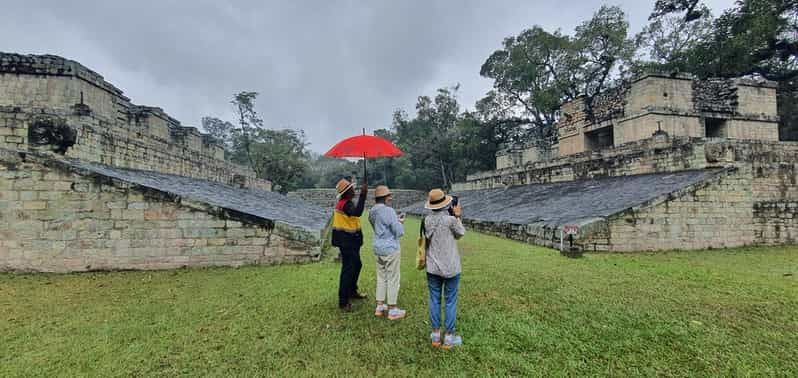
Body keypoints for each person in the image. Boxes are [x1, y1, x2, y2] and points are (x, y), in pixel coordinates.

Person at [424, 188, 465, 348]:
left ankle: (435, 335)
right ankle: (449, 337)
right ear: (445, 203)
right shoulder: (450, 220)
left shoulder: (427, 220)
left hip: (433, 266)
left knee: (434, 299)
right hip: (451, 266)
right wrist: (457, 215)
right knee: (450, 301)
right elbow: (461, 233)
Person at [367, 185, 406, 320]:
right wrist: (400, 222)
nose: (391, 198)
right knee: (393, 277)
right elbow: (399, 232)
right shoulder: (388, 211)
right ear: (385, 198)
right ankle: (393, 309)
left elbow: (377, 226)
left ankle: (379, 305)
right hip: (390, 247)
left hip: (377, 247)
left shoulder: (372, 211)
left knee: (381, 276)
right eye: (389, 196)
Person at [331, 178, 369, 312]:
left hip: (350, 241)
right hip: (347, 242)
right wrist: (363, 195)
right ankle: (343, 301)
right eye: (352, 189)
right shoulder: (346, 204)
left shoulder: (345, 203)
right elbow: (358, 212)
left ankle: (352, 291)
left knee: (357, 265)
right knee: (348, 269)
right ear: (347, 192)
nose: (354, 191)